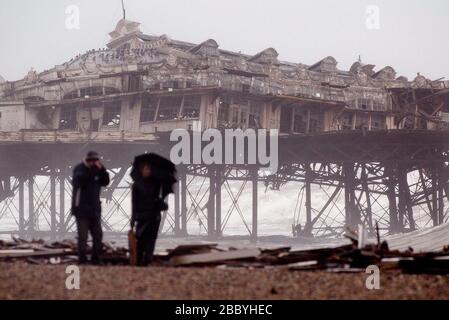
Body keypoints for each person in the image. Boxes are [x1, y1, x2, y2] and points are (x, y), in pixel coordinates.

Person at [71, 151, 110, 264]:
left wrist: (102, 170)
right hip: (81, 210)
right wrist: (92, 172)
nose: (94, 163)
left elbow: (106, 182)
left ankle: (96, 259)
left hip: (95, 210)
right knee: (83, 237)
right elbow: (78, 182)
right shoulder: (79, 169)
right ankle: (82, 259)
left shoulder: (98, 171)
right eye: (93, 160)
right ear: (88, 160)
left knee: (98, 235)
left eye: (96, 160)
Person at [131, 163, 165, 266]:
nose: (148, 171)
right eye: (146, 169)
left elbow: (159, 199)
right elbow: (134, 203)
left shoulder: (156, 184)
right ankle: (139, 260)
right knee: (140, 239)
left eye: (149, 169)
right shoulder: (136, 185)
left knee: (151, 239)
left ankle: (148, 260)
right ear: (141, 170)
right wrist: (133, 218)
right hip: (142, 216)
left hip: (154, 216)